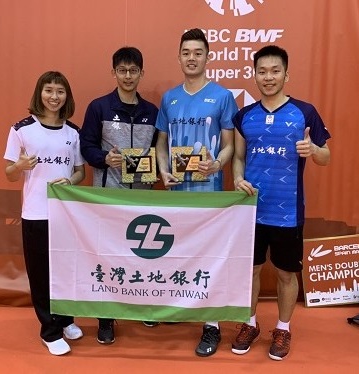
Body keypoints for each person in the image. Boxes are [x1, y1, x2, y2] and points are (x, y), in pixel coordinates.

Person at [231, 45, 331, 360]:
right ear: (254, 75)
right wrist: (237, 178)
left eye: (275, 71)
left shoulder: (306, 112)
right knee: (251, 270)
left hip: (288, 212)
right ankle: (249, 323)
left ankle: (283, 328)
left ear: (286, 74)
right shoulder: (244, 115)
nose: (268, 77)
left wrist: (314, 151)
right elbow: (237, 156)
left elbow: (327, 157)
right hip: (251, 209)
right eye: (262, 71)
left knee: (287, 274)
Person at [155, 28, 238, 357]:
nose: (191, 58)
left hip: (209, 194)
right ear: (179, 57)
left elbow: (230, 145)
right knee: (180, 254)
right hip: (177, 194)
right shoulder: (169, 98)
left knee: (210, 258)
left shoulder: (222, 96)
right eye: (186, 52)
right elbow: (161, 144)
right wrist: (163, 170)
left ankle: (211, 325)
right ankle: (183, 308)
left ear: (207, 56)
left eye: (197, 52)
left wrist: (217, 164)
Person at [79, 46, 159, 345]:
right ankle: (105, 316)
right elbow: (85, 146)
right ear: (113, 72)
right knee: (108, 257)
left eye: (133, 71)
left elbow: (158, 150)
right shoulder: (98, 107)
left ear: (141, 73)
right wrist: (103, 158)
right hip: (107, 197)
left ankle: (146, 306)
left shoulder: (152, 111)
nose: (128, 76)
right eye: (122, 70)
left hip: (143, 197)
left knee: (145, 254)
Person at [4, 71, 85, 355]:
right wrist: (19, 167)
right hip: (36, 214)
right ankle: (49, 331)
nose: (54, 96)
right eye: (49, 90)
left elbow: (79, 172)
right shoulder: (22, 129)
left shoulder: (73, 132)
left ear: (67, 96)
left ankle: (64, 320)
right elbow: (9, 174)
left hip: (66, 215)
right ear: (40, 93)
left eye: (60, 91)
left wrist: (70, 181)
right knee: (40, 275)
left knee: (65, 271)